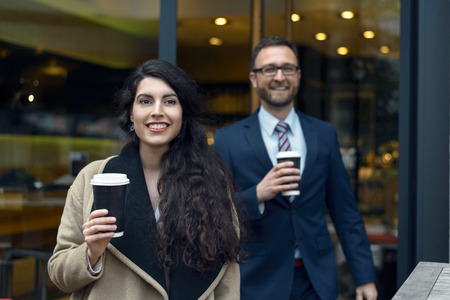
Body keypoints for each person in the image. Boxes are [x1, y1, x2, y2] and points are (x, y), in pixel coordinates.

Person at [48, 59, 243, 300]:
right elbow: (59, 274)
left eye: (170, 101)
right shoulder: (93, 177)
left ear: (183, 113)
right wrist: (91, 253)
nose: (157, 110)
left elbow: (228, 280)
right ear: (131, 113)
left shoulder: (213, 181)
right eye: (145, 101)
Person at [213, 35, 378, 300]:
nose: (280, 76)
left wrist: (364, 277)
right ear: (254, 78)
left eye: (287, 68)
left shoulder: (323, 134)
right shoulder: (228, 139)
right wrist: (257, 194)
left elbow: (346, 213)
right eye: (269, 69)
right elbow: (215, 213)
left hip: (316, 281)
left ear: (298, 75)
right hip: (257, 282)